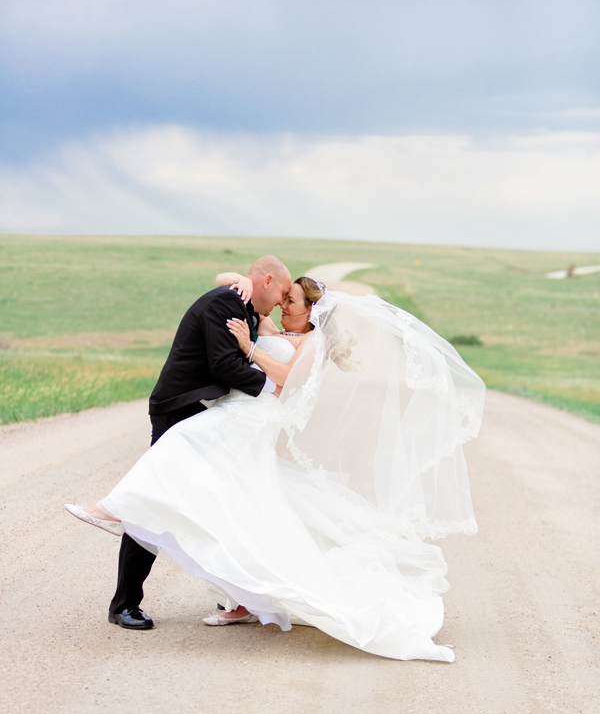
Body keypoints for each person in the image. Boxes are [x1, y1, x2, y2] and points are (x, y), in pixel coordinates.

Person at [67, 272, 485, 661]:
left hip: (253, 418)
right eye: (283, 297)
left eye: (292, 301)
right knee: (237, 503)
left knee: (181, 452)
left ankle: (114, 512)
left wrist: (249, 348)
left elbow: (288, 380)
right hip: (238, 410)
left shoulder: (312, 343)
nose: (284, 305)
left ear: (312, 310)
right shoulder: (276, 329)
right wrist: (243, 282)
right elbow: (225, 282)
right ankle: (240, 596)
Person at [66, 255, 291, 629]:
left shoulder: (245, 306)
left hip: (209, 412)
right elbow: (223, 366)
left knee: (220, 501)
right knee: (156, 495)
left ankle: (238, 597)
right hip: (180, 408)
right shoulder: (227, 302)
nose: (283, 302)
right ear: (267, 280)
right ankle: (124, 601)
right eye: (282, 292)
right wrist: (275, 390)